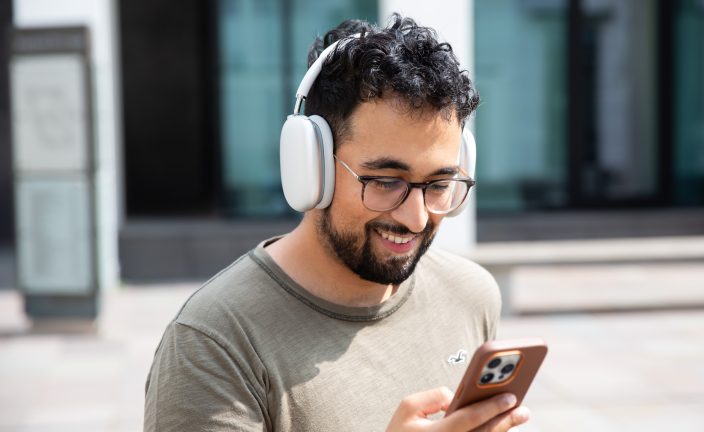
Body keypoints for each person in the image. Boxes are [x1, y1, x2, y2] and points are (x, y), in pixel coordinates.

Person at [144, 14, 531, 431]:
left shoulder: (471, 296)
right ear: (311, 168)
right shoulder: (214, 341)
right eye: (385, 181)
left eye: (439, 183)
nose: (416, 217)